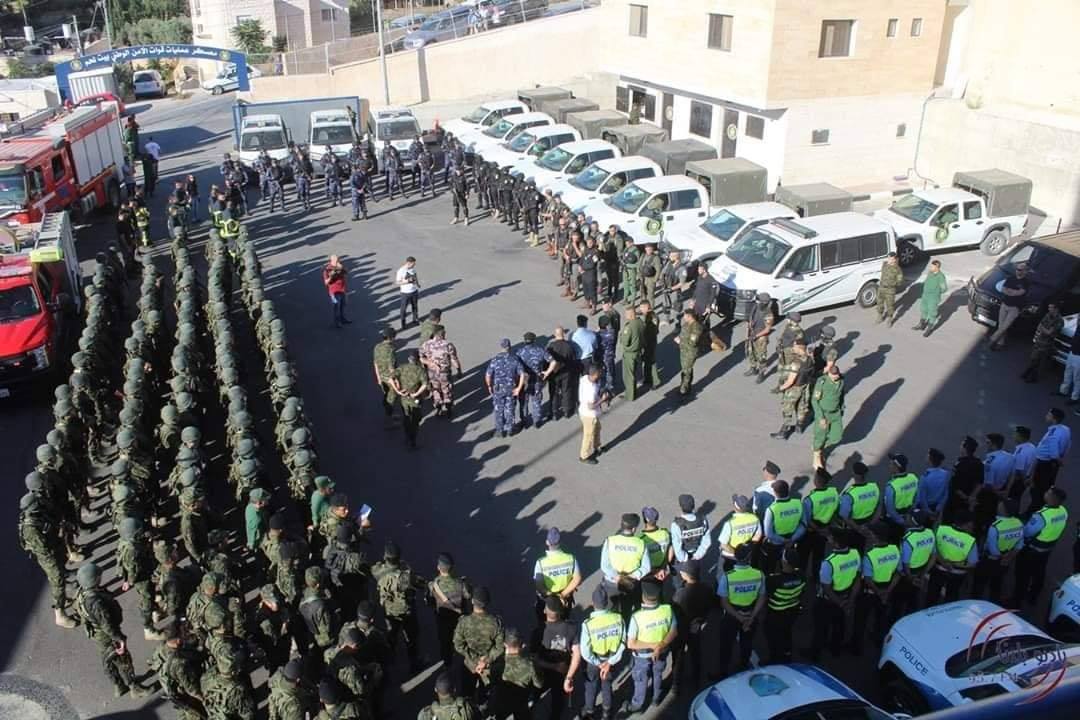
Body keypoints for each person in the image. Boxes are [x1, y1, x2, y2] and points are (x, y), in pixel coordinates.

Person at [73, 562, 150, 698]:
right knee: (123, 659)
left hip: (98, 635)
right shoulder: (96, 603)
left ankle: (118, 685)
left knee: (108, 659)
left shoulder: (82, 593)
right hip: (107, 634)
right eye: (98, 576)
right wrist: (120, 639)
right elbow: (107, 625)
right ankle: (134, 687)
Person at [372, 540, 425, 675]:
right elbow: (421, 584)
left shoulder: (378, 571)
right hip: (407, 611)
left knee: (391, 636)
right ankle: (414, 663)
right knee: (412, 638)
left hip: (389, 611)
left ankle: (389, 662)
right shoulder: (407, 574)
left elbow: (373, 571)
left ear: (385, 557)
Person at [808, 530, 861, 661]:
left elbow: (826, 587)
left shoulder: (829, 562)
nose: (829, 539)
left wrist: (841, 603)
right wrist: (849, 601)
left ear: (836, 543)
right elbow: (858, 578)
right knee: (839, 625)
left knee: (821, 628)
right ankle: (835, 649)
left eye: (831, 537)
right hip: (846, 595)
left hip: (829, 600)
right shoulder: (855, 554)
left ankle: (815, 654)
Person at [1012, 487, 1069, 607]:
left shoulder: (1041, 515)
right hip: (1047, 548)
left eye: (1048, 492)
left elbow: (1027, 532)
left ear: (1052, 498)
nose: (1045, 493)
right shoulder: (1063, 510)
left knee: (1023, 574)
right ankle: (1033, 597)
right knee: (1039, 572)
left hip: (1033, 549)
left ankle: (1016, 601)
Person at [714, 543, 765, 678]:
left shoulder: (728, 577)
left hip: (732, 616)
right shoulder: (759, 574)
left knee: (726, 645)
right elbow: (761, 597)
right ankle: (744, 668)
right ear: (749, 558)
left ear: (735, 557)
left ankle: (723, 672)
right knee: (747, 643)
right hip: (750, 614)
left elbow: (724, 602)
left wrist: (739, 617)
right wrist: (751, 617)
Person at [625, 580, 676, 712]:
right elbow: (674, 632)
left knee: (641, 680)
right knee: (658, 674)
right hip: (661, 652)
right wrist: (659, 646)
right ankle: (656, 699)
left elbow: (631, 643)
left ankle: (637, 705)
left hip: (642, 656)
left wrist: (652, 645)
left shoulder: (637, 617)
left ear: (643, 597)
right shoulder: (667, 609)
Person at [852, 524, 901, 655]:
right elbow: (897, 573)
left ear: (875, 537)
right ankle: (879, 643)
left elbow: (867, 579)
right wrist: (887, 591)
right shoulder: (895, 550)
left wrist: (879, 592)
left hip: (870, 592)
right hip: (887, 590)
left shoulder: (870, 556)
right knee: (881, 619)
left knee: (860, 620)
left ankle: (856, 647)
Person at [453, 586, 505, 704]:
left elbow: (458, 645)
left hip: (469, 665)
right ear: (487, 603)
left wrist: (474, 660)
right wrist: (485, 660)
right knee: (485, 692)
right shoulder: (496, 623)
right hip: (487, 666)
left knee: (466, 693)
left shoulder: (463, 622)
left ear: (472, 601)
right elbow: (500, 647)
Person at [579, 587, 624, 720]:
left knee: (591, 685)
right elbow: (622, 643)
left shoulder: (588, 625)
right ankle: (606, 713)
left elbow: (585, 652)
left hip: (594, 662)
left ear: (593, 604)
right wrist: (608, 663)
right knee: (607, 685)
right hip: (611, 659)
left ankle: (589, 711)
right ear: (606, 603)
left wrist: (599, 664)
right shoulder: (618, 619)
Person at [535, 597, 581, 720]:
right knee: (557, 701)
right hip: (562, 672)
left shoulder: (539, 631)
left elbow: (533, 658)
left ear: (545, 611)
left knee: (536, 692)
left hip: (543, 672)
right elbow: (577, 655)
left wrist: (552, 666)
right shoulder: (572, 628)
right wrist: (569, 677)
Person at [600, 514, 651, 621]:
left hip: (612, 583)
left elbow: (604, 565)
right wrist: (632, 576)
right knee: (627, 612)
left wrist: (617, 576)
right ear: (634, 529)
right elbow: (646, 567)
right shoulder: (641, 543)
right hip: (631, 584)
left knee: (609, 612)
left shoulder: (610, 540)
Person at [972, 500, 1024, 602]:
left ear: (1004, 510)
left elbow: (993, 549)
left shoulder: (995, 526)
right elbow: (1019, 545)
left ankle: (974, 603)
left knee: (979, 584)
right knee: (996, 584)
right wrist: (1008, 557)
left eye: (1001, 504)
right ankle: (994, 604)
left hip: (990, 560)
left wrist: (1002, 556)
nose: (998, 505)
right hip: (1005, 561)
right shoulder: (1019, 523)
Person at [926, 511, 978, 605]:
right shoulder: (970, 540)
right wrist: (953, 564)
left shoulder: (941, 529)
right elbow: (972, 564)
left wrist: (942, 562)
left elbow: (932, 548)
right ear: (967, 524)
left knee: (931, 597)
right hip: (957, 574)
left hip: (938, 569)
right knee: (951, 599)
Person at [490, 628, 543, 720]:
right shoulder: (529, 664)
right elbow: (539, 684)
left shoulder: (498, 663)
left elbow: (492, 681)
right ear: (522, 644)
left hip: (502, 700)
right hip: (521, 701)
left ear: (505, 644)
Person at [533, 528, 582, 624]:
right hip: (564, 598)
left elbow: (539, 585)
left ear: (547, 542)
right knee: (563, 622)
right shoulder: (571, 558)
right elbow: (578, 578)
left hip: (547, 601)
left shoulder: (541, 563)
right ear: (560, 542)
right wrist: (562, 595)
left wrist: (551, 596)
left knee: (544, 625)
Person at [764, 548, 805, 664]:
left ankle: (774, 658)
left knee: (772, 636)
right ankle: (787, 654)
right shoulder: (801, 575)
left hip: (776, 613)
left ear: (785, 562)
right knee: (787, 632)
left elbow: (767, 594)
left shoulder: (773, 579)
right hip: (793, 610)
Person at [429, 552, 469, 669]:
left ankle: (447, 664)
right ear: (452, 568)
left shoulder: (434, 584)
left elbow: (430, 602)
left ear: (438, 568)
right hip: (458, 619)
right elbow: (468, 596)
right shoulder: (460, 583)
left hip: (442, 620)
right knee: (461, 640)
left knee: (444, 642)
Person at [893, 510, 936, 617]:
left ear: (913, 521)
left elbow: (905, 562)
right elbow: (933, 556)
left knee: (897, 603)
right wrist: (923, 573)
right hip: (920, 571)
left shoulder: (908, 538)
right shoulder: (930, 533)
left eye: (908, 517)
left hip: (907, 575)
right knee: (913, 602)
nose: (906, 518)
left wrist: (910, 578)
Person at [1029, 408, 1070, 513]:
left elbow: (1053, 453)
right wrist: (1061, 457)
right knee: (1046, 485)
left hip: (1045, 464)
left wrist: (1058, 460)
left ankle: (1034, 510)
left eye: (1048, 414)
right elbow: (1068, 444)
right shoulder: (1065, 429)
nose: (1046, 415)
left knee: (1038, 489)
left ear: (1054, 418)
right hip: (1052, 464)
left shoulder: (1053, 434)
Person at [761, 479, 806, 573]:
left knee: (772, 566)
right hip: (791, 542)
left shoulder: (772, 509)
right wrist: (791, 539)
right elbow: (803, 525)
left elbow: (768, 533)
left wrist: (783, 540)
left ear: (775, 493)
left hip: (775, 543)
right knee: (789, 564)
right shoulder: (798, 503)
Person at [485, 338, 526, 439]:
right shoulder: (514, 359)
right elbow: (522, 375)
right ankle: (510, 429)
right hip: (511, 388)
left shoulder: (495, 359)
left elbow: (488, 375)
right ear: (510, 346)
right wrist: (519, 388)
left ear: (501, 346)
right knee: (510, 408)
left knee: (498, 409)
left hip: (498, 389)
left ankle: (499, 431)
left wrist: (489, 386)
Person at [420, 325, 463, 418]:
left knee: (435, 390)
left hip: (432, 372)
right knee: (447, 389)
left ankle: (438, 408)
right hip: (445, 372)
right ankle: (448, 409)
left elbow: (421, 358)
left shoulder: (426, 344)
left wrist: (430, 363)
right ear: (442, 333)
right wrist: (459, 370)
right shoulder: (448, 345)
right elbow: (454, 359)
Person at [517, 332, 557, 429]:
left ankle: (524, 421)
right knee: (536, 401)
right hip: (537, 380)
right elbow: (553, 361)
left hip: (524, 381)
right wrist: (547, 372)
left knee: (523, 402)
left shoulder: (519, 352)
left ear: (524, 340)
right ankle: (537, 420)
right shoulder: (540, 351)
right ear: (534, 340)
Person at [811, 363, 845, 469]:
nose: (835, 376)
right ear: (829, 374)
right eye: (833, 374)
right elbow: (814, 400)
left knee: (837, 436)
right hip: (824, 413)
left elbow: (841, 396)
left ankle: (819, 447)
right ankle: (816, 456)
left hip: (836, 413)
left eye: (837, 374)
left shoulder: (841, 381)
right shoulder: (822, 382)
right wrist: (820, 417)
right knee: (820, 436)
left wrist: (842, 408)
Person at [391, 352, 428, 450]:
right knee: (416, 420)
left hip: (404, 398)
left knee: (406, 417)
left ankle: (407, 436)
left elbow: (391, 378)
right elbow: (425, 385)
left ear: (409, 359)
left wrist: (398, 391)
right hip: (415, 399)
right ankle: (412, 441)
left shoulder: (402, 368)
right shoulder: (421, 370)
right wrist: (416, 394)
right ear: (418, 359)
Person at [670, 494, 711, 580]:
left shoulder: (676, 524)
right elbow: (707, 541)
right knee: (695, 579)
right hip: (697, 556)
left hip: (682, 560)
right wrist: (697, 555)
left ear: (681, 506)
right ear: (693, 506)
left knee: (679, 583)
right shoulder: (703, 520)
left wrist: (685, 558)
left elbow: (677, 545)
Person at [717, 494, 761, 572]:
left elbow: (723, 544)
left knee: (723, 575)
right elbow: (758, 535)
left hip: (730, 556)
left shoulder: (730, 523)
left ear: (735, 507)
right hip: (746, 555)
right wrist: (747, 549)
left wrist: (736, 553)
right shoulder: (754, 518)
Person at [989, 263, 1029, 348]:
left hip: (1014, 308)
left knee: (1005, 326)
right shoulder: (1011, 278)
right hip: (1004, 304)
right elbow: (1003, 289)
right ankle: (1000, 343)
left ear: (1025, 271)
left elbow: (1019, 293)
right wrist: (1012, 291)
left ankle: (993, 339)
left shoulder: (1026, 282)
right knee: (1001, 325)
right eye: (1017, 269)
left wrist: (1010, 291)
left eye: (1020, 270)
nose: (1018, 271)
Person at [1022, 303, 1063, 382]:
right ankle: (1029, 371)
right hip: (1040, 340)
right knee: (1033, 357)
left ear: (1056, 309)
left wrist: (1043, 328)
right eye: (1049, 307)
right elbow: (1039, 326)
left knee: (1039, 360)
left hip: (1047, 343)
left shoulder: (1059, 320)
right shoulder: (1048, 315)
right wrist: (1044, 329)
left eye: (1051, 307)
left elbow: (1049, 333)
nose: (1049, 309)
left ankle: (1033, 376)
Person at [883, 453, 920, 540]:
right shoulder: (913, 478)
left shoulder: (891, 486)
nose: (889, 465)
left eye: (891, 464)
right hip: (907, 515)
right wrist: (909, 516)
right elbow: (917, 498)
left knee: (892, 540)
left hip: (894, 520)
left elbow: (890, 509)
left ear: (896, 467)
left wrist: (902, 522)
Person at [547, 327, 578, 421]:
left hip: (554, 373)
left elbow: (547, 360)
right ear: (563, 334)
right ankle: (567, 411)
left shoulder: (551, 346)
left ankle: (554, 412)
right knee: (566, 391)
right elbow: (573, 360)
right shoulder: (569, 346)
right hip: (566, 372)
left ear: (555, 334)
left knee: (554, 393)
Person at [745, 292, 775, 383]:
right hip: (752, 333)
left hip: (761, 337)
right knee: (751, 352)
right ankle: (753, 368)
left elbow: (767, 329)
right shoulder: (755, 307)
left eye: (759, 301)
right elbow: (750, 319)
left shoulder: (768, 314)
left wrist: (756, 336)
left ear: (764, 302)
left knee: (761, 356)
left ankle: (761, 373)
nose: (757, 302)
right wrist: (748, 332)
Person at [578, 364, 604, 465]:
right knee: (588, 435)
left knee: (597, 428)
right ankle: (584, 456)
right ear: (594, 374)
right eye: (598, 375)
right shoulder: (591, 390)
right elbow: (591, 406)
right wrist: (602, 400)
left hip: (584, 411)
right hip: (589, 415)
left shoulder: (584, 378)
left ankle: (597, 446)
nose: (599, 376)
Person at [372, 327, 398, 427]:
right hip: (389, 379)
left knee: (386, 395)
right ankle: (389, 422)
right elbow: (391, 368)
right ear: (391, 338)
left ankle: (390, 416)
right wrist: (396, 381)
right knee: (391, 399)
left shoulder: (377, 347)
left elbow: (375, 363)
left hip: (382, 377)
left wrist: (378, 377)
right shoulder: (390, 350)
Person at [914, 260, 947, 337]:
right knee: (923, 309)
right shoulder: (930, 273)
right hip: (925, 295)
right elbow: (926, 281)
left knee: (932, 312)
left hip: (933, 297)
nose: (930, 267)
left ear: (937, 267)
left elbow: (944, 288)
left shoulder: (940, 276)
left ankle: (929, 328)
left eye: (932, 266)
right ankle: (921, 324)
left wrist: (936, 293)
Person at [675, 309, 701, 399]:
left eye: (685, 316)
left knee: (687, 371)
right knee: (685, 369)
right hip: (684, 350)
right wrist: (679, 336)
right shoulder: (687, 324)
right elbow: (684, 334)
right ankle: (686, 385)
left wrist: (680, 341)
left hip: (690, 352)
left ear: (690, 316)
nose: (684, 317)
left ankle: (684, 391)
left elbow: (692, 343)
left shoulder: (696, 327)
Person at [917, 448, 950, 519]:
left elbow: (922, 498)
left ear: (930, 459)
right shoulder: (946, 474)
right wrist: (939, 507)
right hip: (936, 507)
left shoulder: (925, 477)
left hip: (926, 509)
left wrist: (928, 512)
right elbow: (945, 494)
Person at [619, 307, 644, 401]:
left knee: (628, 375)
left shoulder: (629, 327)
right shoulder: (640, 322)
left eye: (626, 314)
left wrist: (621, 336)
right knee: (635, 372)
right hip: (638, 351)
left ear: (631, 315)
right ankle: (633, 391)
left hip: (630, 353)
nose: (625, 316)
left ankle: (630, 395)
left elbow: (625, 341)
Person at [322, 255, 350, 328]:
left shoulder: (340, 266)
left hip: (342, 289)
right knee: (336, 306)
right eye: (336, 260)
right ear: (331, 261)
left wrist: (342, 268)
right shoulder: (327, 270)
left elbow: (346, 272)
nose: (338, 261)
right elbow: (326, 282)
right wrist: (331, 276)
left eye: (338, 260)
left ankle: (342, 319)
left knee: (343, 305)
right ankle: (337, 323)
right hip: (334, 291)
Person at [877, 252, 903, 325]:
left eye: (891, 259)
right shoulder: (884, 264)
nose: (889, 260)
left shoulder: (898, 269)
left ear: (895, 259)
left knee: (890, 305)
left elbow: (899, 281)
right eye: (888, 258)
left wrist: (891, 284)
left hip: (890, 290)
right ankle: (880, 315)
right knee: (879, 302)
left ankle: (890, 318)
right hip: (881, 288)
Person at [394, 257, 420, 330]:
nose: (414, 265)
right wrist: (407, 281)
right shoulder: (401, 271)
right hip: (405, 293)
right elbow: (397, 282)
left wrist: (417, 284)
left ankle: (415, 319)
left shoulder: (412, 269)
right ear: (408, 263)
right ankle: (403, 323)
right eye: (413, 264)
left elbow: (415, 276)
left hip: (414, 291)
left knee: (415, 306)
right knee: (403, 309)